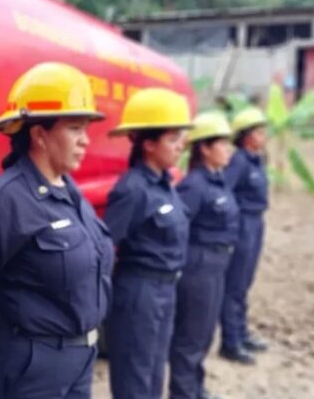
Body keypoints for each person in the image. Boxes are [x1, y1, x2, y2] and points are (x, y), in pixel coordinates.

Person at [0, 62, 115, 399]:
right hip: (30, 367)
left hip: (79, 359)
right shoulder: (3, 200)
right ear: (39, 134)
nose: (85, 140)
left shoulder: (69, 191)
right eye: (75, 128)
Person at [101, 87, 192, 399]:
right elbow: (104, 247)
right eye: (172, 138)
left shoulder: (166, 184)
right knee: (135, 376)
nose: (181, 145)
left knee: (154, 372)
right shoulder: (132, 190)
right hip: (138, 293)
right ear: (149, 144)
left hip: (166, 290)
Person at [169, 112, 240, 399]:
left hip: (216, 264)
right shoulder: (194, 185)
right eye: (222, 144)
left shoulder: (216, 181)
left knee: (204, 333)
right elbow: (178, 228)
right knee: (191, 336)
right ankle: (184, 393)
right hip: (198, 266)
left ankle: (195, 388)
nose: (228, 150)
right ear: (205, 149)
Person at [219, 106, 270, 365]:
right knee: (235, 284)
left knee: (245, 282)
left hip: (256, 222)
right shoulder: (238, 162)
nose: (264, 137)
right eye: (259, 132)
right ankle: (231, 341)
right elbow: (225, 193)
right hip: (243, 225)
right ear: (247, 136)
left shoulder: (256, 160)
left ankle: (241, 331)